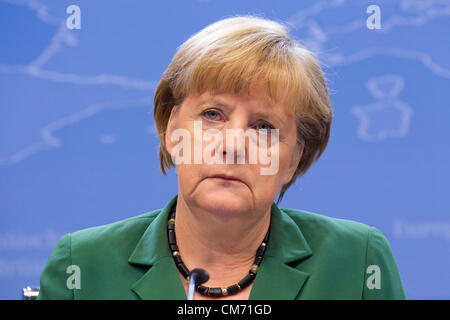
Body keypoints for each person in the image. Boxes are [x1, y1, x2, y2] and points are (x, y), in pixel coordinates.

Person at [38, 15, 405, 300]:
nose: (233, 144)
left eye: (264, 126)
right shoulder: (82, 265)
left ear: (293, 159)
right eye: (213, 114)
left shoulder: (357, 263)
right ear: (171, 130)